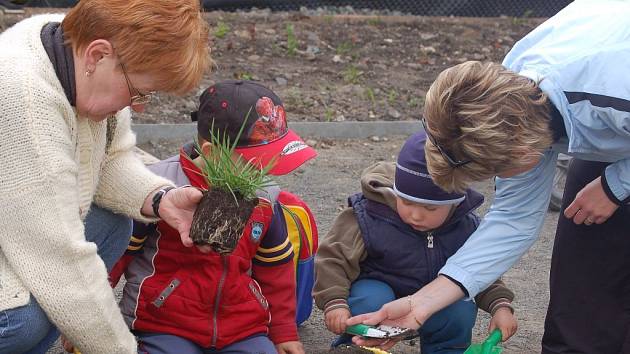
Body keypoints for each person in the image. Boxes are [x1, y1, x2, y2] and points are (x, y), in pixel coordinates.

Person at [347, 1, 630, 353]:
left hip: (615, 96)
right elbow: (513, 219)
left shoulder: (613, 91)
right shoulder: (512, 92)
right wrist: (422, 303)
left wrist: (616, 185)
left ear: (524, 153)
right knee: (587, 271)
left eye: (496, 171)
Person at [0, 1, 210, 353]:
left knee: (113, 226)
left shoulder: (72, 43)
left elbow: (110, 158)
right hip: (26, 230)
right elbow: (60, 259)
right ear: (98, 56)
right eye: (139, 91)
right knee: (23, 320)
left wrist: (160, 198)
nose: (138, 105)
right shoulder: (23, 101)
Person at [109, 80, 317, 354]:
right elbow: (116, 253)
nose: (262, 171)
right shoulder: (155, 187)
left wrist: (283, 332)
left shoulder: (266, 198)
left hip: (242, 328)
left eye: (270, 158)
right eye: (253, 161)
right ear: (211, 152)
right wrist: (88, 323)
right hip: (165, 323)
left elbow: (275, 270)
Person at [315, 131, 517, 353]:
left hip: (437, 299)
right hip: (380, 293)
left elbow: (480, 270)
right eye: (407, 202)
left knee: (460, 306)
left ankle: (446, 349)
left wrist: (500, 305)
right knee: (369, 297)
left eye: (430, 208)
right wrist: (334, 301)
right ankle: (358, 345)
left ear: (455, 204)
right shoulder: (369, 215)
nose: (416, 215)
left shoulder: (465, 226)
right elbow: (333, 259)